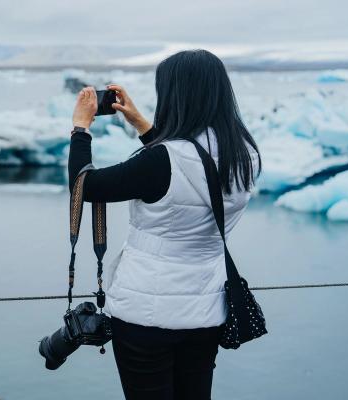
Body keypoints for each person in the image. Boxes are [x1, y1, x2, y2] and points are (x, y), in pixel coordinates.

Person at [68, 50, 261, 400]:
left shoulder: (160, 161)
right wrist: (142, 125)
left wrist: (80, 129)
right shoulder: (244, 154)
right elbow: (190, 171)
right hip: (206, 311)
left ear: (175, 95)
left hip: (146, 317)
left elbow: (86, 187)